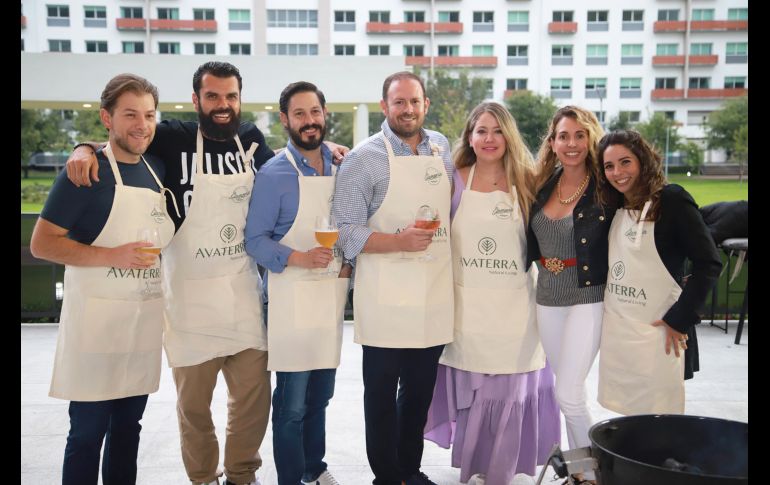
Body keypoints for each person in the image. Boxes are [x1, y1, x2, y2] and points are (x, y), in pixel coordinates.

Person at [66, 61, 275, 485]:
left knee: (253, 402)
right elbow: (124, 139)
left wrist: (329, 154)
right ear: (196, 99)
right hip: (188, 302)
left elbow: (283, 176)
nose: (222, 105)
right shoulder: (171, 136)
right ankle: (202, 478)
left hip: (242, 296)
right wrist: (84, 149)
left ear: (240, 99)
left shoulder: (251, 140)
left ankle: (240, 475)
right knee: (193, 409)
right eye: (212, 96)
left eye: (231, 96)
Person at [30, 73, 176, 484]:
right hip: (95, 326)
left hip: (140, 324)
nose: (142, 124)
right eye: (130, 114)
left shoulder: (156, 168)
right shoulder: (84, 174)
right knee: (87, 432)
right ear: (106, 118)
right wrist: (111, 255)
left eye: (149, 115)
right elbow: (43, 244)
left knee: (129, 429)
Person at [424, 102, 561, 485]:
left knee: (512, 390)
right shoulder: (452, 179)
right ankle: (479, 465)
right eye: (481, 130)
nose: (489, 139)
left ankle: (501, 469)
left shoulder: (529, 180)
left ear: (509, 136)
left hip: (516, 306)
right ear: (469, 136)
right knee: (478, 393)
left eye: (497, 131)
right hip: (468, 307)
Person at [332, 71, 453, 485]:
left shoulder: (442, 147)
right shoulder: (363, 158)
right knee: (381, 398)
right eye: (399, 102)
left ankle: (409, 470)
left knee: (418, 396)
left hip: (432, 294)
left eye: (415, 102)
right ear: (384, 107)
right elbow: (345, 231)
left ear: (425, 105)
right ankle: (386, 476)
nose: (408, 110)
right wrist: (399, 241)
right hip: (385, 298)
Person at [245, 81, 351, 485]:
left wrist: (347, 267)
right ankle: (289, 478)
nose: (309, 121)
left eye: (315, 112)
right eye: (300, 114)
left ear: (325, 115)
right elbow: (254, 239)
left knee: (321, 396)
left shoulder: (344, 166)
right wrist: (298, 257)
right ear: (285, 120)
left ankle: (314, 468)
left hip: (328, 298)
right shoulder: (274, 174)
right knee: (291, 403)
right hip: (289, 300)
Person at [525, 106, 622, 484]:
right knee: (567, 391)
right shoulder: (542, 184)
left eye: (580, 135)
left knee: (568, 391)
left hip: (589, 296)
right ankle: (582, 473)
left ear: (591, 139)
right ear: (552, 142)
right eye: (564, 136)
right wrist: (539, 259)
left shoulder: (605, 187)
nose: (572, 143)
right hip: (548, 298)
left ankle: (591, 475)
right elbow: (529, 232)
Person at [596, 129, 721, 415]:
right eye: (609, 166)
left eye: (625, 162)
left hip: (660, 332)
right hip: (619, 332)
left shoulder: (672, 200)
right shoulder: (615, 204)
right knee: (624, 417)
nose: (618, 172)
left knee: (660, 423)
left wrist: (680, 319)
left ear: (643, 160)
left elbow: (709, 263)